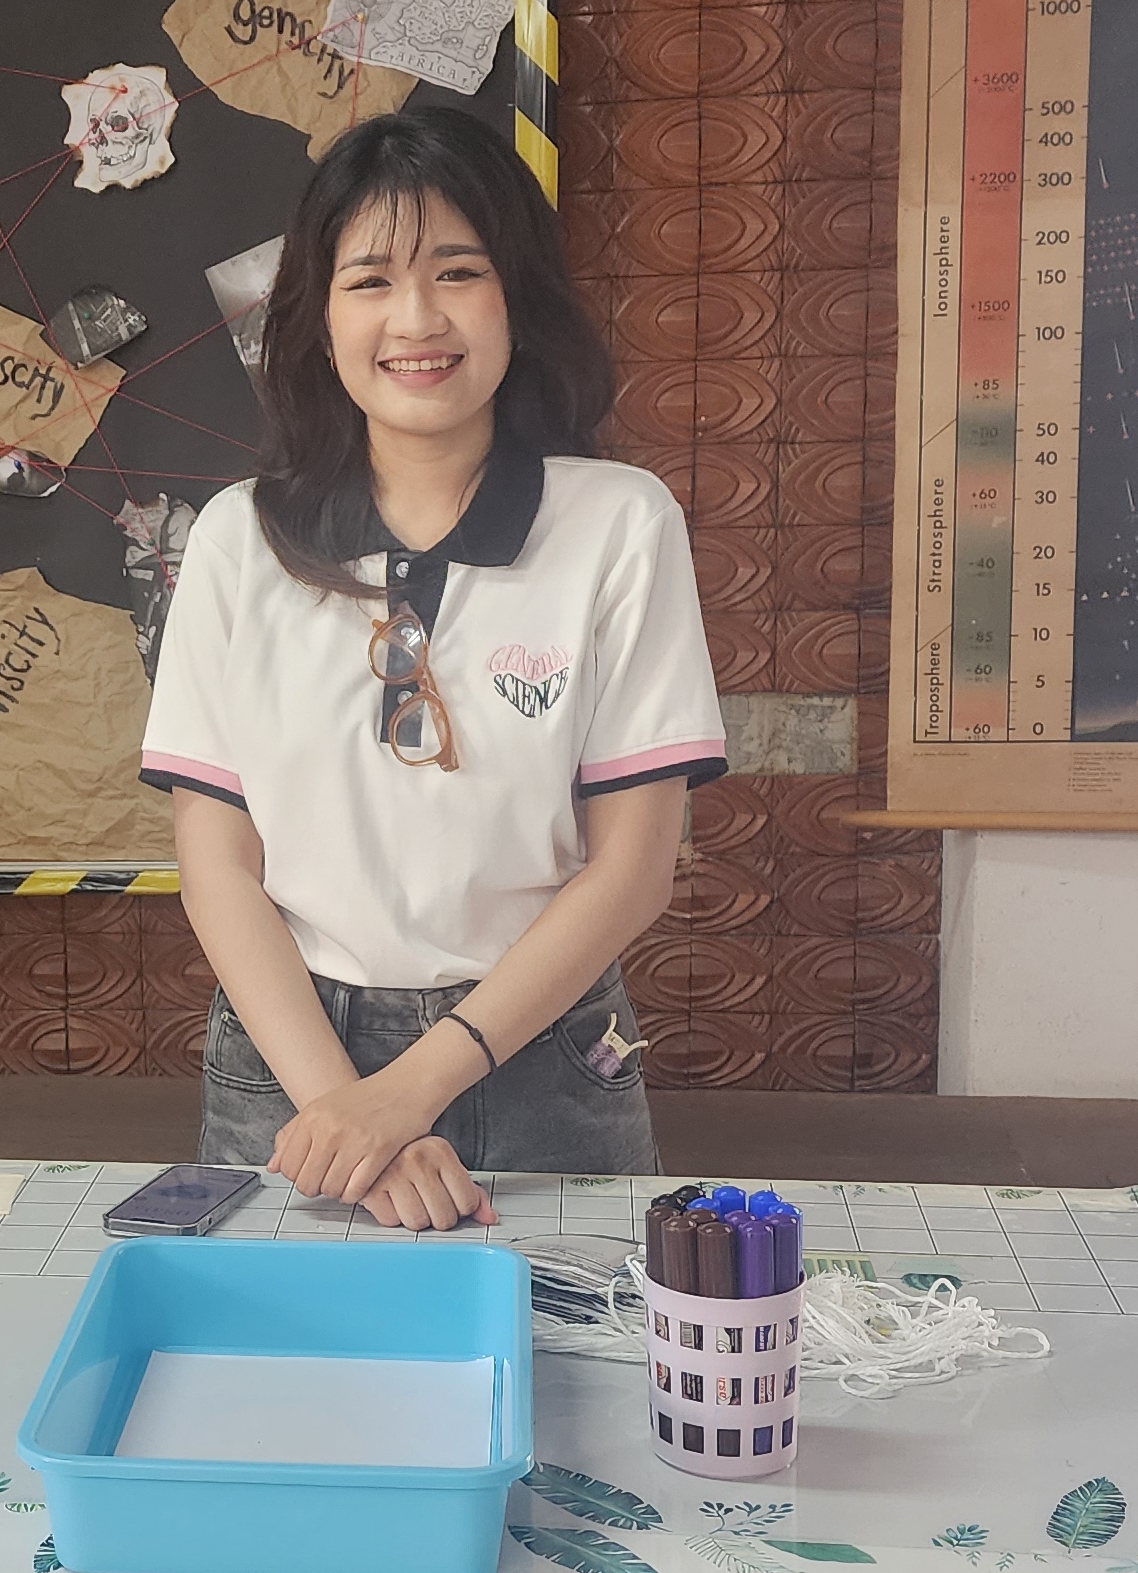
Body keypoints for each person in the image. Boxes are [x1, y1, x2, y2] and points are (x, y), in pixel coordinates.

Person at [137, 104, 724, 1232]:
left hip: (540, 1049)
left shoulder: (619, 525)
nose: (416, 319)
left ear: (516, 298)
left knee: (565, 1339)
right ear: (318, 320)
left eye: (458, 272)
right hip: (292, 1057)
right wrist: (344, 1106)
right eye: (369, 281)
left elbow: (632, 869)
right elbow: (217, 867)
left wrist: (406, 1094)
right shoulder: (235, 540)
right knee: (290, 1341)